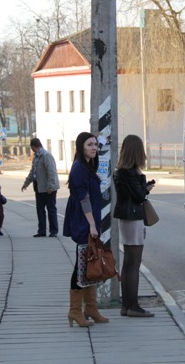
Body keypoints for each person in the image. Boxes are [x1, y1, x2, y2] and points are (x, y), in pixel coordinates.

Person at [63, 132, 108, 327]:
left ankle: (90, 308)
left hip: (89, 222)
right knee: (81, 266)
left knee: (89, 264)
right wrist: (91, 224)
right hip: (83, 223)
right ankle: (75, 311)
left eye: (96, 145)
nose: (94, 148)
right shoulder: (79, 168)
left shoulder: (88, 166)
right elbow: (84, 199)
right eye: (90, 144)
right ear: (81, 146)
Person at [113, 134, 156, 318]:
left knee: (128, 263)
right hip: (133, 217)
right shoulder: (130, 172)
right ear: (137, 152)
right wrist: (145, 185)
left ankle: (126, 306)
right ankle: (133, 306)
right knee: (134, 263)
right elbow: (140, 196)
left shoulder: (121, 171)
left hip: (126, 218)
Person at [21, 138, 60, 237]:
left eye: (32, 148)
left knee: (51, 209)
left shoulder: (46, 156)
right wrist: (26, 183)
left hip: (48, 188)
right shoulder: (37, 156)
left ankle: (53, 231)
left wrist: (51, 186)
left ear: (33, 147)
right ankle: (42, 230)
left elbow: (51, 172)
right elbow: (33, 172)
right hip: (39, 188)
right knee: (40, 210)